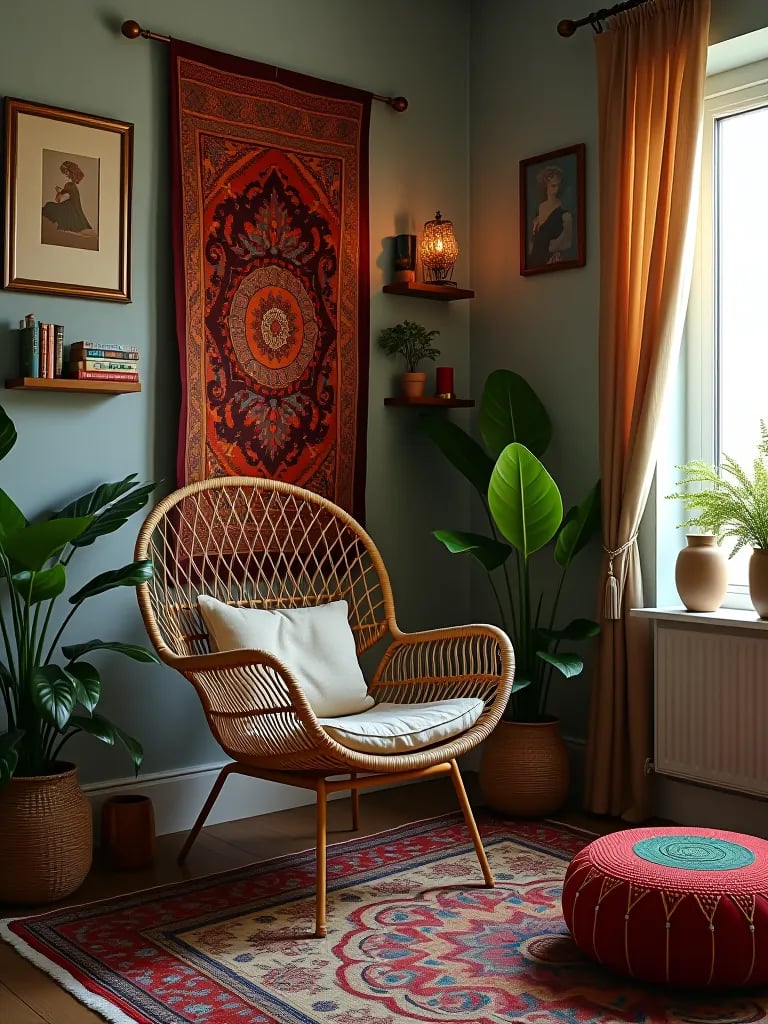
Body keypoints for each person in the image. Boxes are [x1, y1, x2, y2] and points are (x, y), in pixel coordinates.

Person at [528, 164, 574, 267]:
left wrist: (550, 247)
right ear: (545, 186)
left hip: (549, 260)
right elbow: (533, 239)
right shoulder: (540, 208)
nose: (556, 189)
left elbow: (567, 243)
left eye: (558, 185)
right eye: (553, 186)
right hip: (534, 262)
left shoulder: (564, 214)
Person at [41, 160, 92, 234]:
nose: (65, 174)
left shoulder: (70, 185)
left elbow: (60, 200)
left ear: (71, 172)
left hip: (69, 213)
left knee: (49, 206)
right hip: (70, 212)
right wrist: (61, 192)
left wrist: (59, 192)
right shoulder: (72, 186)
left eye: (66, 171)